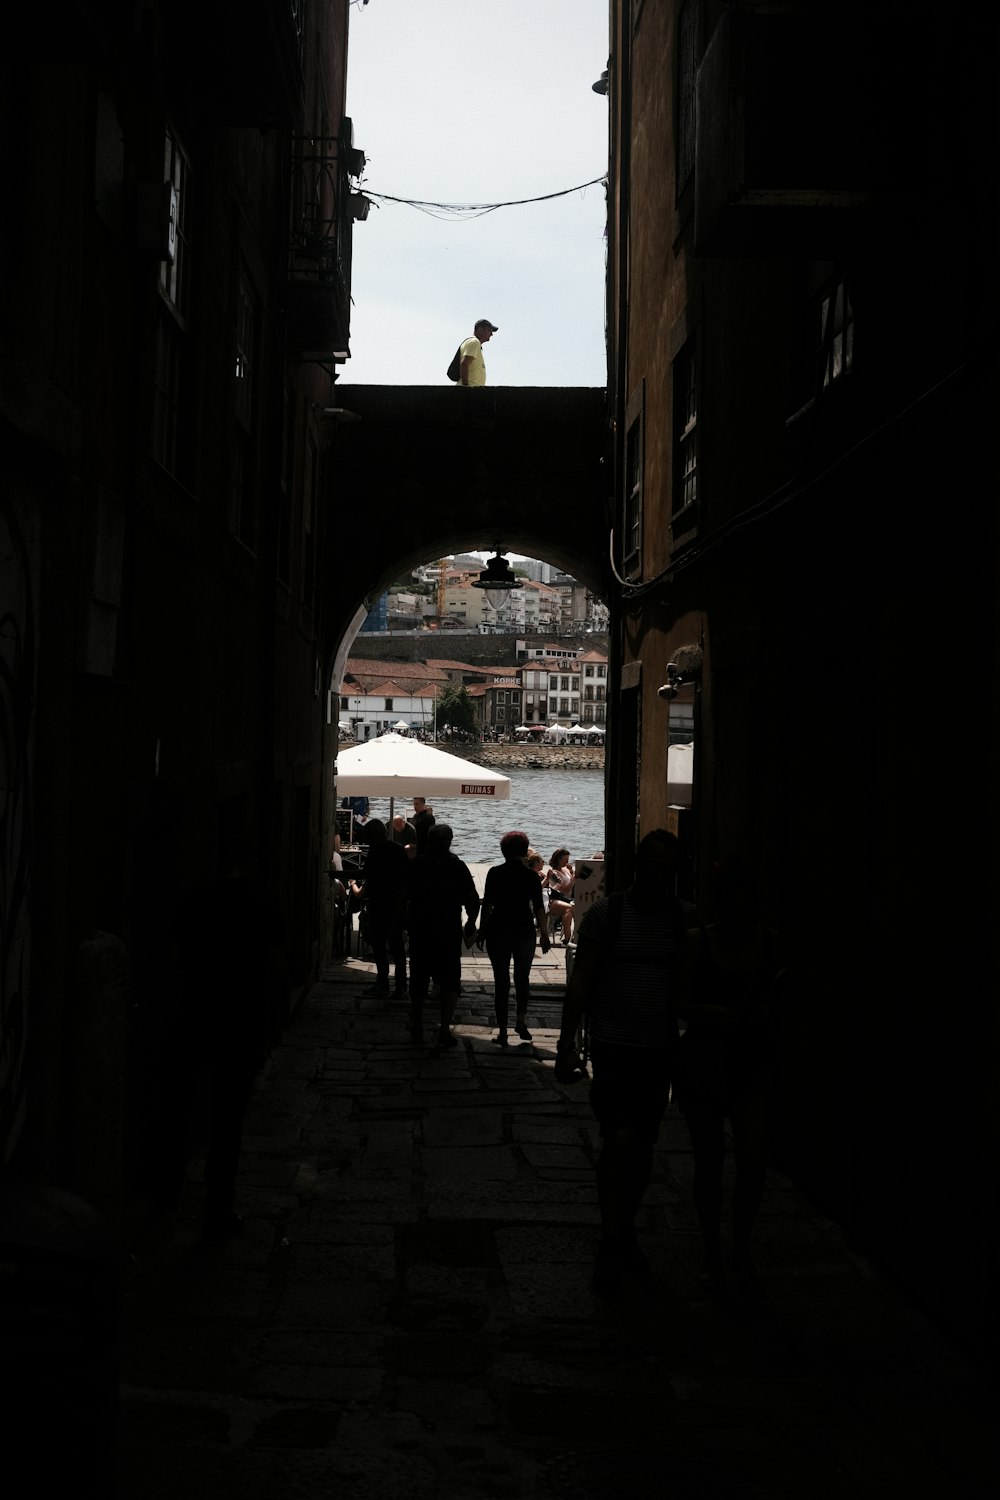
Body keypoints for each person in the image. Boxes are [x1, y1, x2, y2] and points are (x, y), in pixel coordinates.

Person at [555, 830, 692, 1296]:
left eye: (666, 868)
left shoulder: (682, 921)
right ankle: (613, 1235)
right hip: (613, 1047)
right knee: (619, 1138)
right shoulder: (607, 916)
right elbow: (582, 983)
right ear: (637, 867)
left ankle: (622, 1226)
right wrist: (568, 1044)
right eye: (652, 866)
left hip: (658, 1051)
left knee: (643, 1145)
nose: (659, 875)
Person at [673, 858, 784, 1296]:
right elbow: (676, 1001)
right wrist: (710, 1013)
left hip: (750, 1061)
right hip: (707, 1061)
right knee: (712, 1161)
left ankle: (735, 1246)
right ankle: (716, 1248)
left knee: (750, 1163)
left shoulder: (773, 945)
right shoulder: (696, 944)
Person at [405, 823, 479, 1049]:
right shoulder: (457, 867)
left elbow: (403, 894)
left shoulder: (416, 865)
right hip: (447, 930)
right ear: (449, 842)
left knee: (418, 978)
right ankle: (444, 1030)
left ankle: (417, 1026)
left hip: (420, 929)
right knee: (449, 981)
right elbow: (472, 898)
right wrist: (470, 921)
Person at [476, 830, 550, 1047]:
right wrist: (544, 935)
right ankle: (520, 1019)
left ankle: (502, 1030)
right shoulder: (531, 876)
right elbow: (538, 908)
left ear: (503, 850)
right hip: (524, 929)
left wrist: (482, 930)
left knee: (501, 980)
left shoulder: (495, 873)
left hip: (499, 928)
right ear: (524, 850)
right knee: (522, 977)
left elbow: (487, 904)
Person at [349, 818, 409, 999]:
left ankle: (383, 983)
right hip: (396, 905)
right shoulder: (398, 850)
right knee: (397, 948)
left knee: (380, 947)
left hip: (379, 905)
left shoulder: (376, 852)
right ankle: (400, 986)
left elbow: (367, 873)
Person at [546, 847, 576, 944]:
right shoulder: (553, 874)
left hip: (569, 898)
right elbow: (565, 891)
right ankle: (568, 937)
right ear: (559, 859)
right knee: (570, 908)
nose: (567, 861)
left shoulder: (565, 869)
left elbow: (571, 885)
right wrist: (574, 878)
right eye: (565, 859)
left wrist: (571, 873)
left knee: (580, 907)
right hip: (554, 899)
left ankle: (576, 935)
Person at [458, 318, 498, 387]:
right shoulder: (474, 342)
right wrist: (466, 388)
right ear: (480, 329)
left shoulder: (474, 342)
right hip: (470, 389)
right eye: (489, 330)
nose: (491, 334)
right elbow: (464, 363)